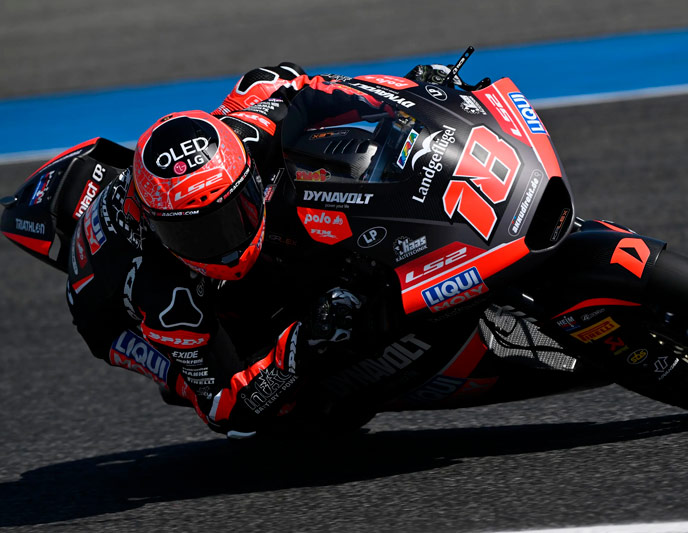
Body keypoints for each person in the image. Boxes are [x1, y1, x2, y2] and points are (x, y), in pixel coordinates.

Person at [64, 62, 426, 438]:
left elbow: (305, 84)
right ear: (159, 228)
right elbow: (224, 410)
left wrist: (410, 93)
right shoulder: (162, 292)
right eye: (194, 233)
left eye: (232, 214)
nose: (224, 243)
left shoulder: (248, 131)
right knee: (279, 414)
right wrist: (301, 344)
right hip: (106, 314)